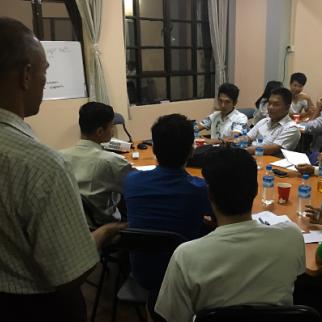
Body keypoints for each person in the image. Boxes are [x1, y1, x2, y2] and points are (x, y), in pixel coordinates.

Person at [0, 17, 126, 322]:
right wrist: (106, 231)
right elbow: (74, 272)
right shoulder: (40, 164)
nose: (45, 82)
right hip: (36, 309)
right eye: (45, 72)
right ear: (27, 76)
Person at [155, 148, 305, 322]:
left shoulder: (186, 256)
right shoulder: (292, 236)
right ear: (256, 189)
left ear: (208, 193)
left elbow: (174, 317)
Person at [124, 114, 213, 291]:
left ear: (154, 149)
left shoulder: (131, 181)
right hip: (185, 276)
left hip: (142, 273)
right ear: (191, 151)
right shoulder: (201, 190)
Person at [61, 102, 133, 226]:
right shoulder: (112, 161)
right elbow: (138, 187)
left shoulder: (59, 156)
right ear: (100, 131)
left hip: (73, 225)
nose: (113, 131)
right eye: (111, 127)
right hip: (106, 230)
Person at [246, 87, 301, 156]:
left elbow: (272, 149)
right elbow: (248, 137)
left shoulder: (291, 128)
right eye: (269, 104)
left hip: (270, 163)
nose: (270, 107)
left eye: (276, 104)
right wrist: (238, 141)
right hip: (251, 157)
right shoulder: (264, 121)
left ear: (287, 107)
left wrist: (245, 150)